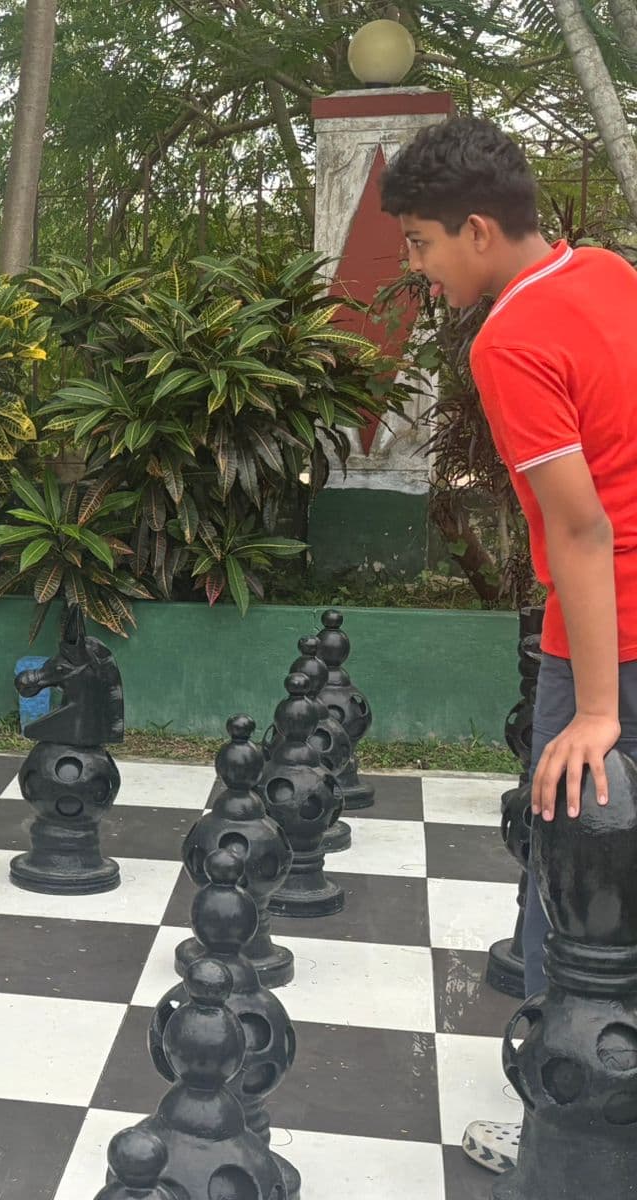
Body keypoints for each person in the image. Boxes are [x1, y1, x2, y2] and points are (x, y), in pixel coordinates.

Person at [381, 115, 637, 1173]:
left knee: (565, 882)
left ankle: (557, 1135)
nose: (416, 267)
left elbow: (580, 526)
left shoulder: (508, 338)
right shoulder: (611, 274)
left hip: (605, 643)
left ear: (477, 230)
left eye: (420, 245)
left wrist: (589, 708)